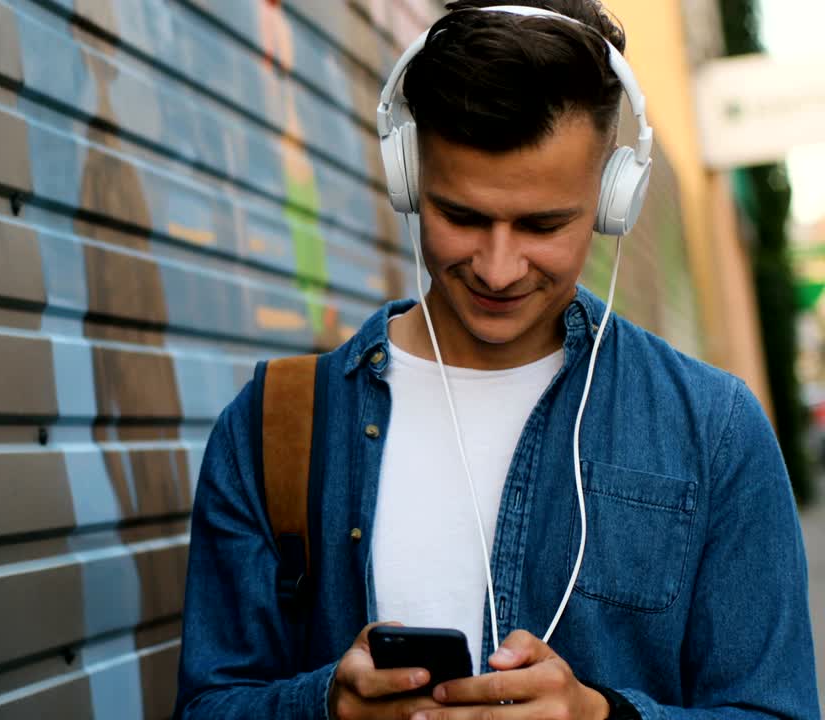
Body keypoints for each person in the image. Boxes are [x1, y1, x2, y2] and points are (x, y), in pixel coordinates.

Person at [173, 1, 819, 718]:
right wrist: (328, 706)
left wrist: (601, 716)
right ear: (408, 180)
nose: (499, 267)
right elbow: (208, 704)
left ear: (613, 198)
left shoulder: (715, 430)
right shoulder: (276, 427)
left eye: (543, 225)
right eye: (463, 217)